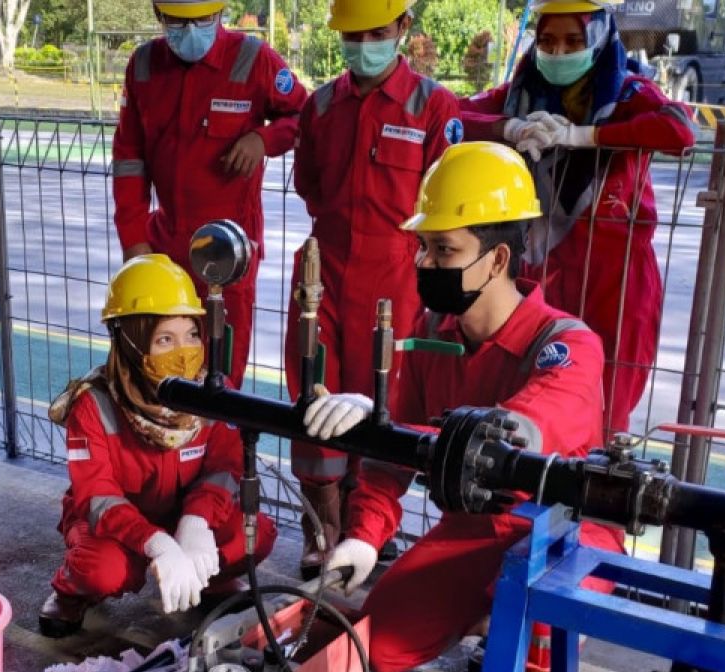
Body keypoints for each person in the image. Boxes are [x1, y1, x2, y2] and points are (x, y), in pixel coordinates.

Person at [302, 142, 625, 672]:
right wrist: (365, 536)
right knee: (379, 639)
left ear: (498, 258)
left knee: (536, 603)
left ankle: (537, 671)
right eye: (424, 248)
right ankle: (485, 615)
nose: (426, 262)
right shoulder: (431, 336)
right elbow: (393, 461)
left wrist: (404, 427)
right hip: (478, 524)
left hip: (563, 532)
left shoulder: (567, 345)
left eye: (444, 250)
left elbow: (519, 429)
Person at [459, 0, 695, 437]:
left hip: (617, 287)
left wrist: (586, 136)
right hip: (541, 277)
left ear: (600, 35)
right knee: (530, 411)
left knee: (602, 420)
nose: (558, 53)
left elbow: (680, 130)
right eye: (547, 41)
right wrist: (508, 128)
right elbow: (451, 116)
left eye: (573, 41)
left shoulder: (629, 96)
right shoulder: (518, 94)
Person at [287, 0, 461, 578]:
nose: (364, 44)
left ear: (403, 29)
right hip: (325, 271)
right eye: (353, 34)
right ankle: (322, 526)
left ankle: (368, 525)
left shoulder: (433, 107)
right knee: (315, 391)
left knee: (384, 401)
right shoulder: (321, 105)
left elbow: (445, 203)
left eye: (377, 32)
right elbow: (309, 185)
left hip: (399, 276)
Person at [39, 254, 277, 637]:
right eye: (165, 339)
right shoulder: (93, 405)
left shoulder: (212, 394)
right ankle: (70, 591)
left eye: (192, 335)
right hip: (119, 527)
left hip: (184, 515)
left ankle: (209, 579)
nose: (183, 352)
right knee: (100, 569)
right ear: (130, 342)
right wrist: (156, 543)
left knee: (256, 533)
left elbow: (224, 465)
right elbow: (97, 496)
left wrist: (196, 524)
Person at [111, 0, 308, 388]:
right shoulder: (144, 66)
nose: (190, 31)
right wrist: (135, 243)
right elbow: (129, 160)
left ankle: (221, 446)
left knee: (221, 375)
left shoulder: (253, 59)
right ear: (158, 14)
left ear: (220, 12)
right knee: (161, 372)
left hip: (228, 251)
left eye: (202, 19)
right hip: (164, 249)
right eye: (178, 22)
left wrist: (263, 139)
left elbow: (303, 116)